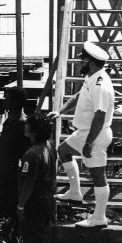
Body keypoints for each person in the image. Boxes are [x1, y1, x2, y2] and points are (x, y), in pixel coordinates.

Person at [49, 41, 114, 228]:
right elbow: (78, 96)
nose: (80, 63)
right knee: (63, 150)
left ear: (91, 63)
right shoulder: (92, 77)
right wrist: (60, 111)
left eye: (82, 61)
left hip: (95, 135)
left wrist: (89, 143)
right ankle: (75, 191)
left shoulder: (99, 85)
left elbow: (100, 116)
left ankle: (99, 217)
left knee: (98, 175)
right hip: (84, 132)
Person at [17, 114, 56, 243]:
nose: (25, 127)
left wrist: (21, 205)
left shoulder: (31, 154)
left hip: (35, 201)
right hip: (47, 197)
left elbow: (28, 182)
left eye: (28, 126)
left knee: (34, 238)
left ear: (34, 131)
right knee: (43, 237)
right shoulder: (49, 146)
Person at [0, 86, 31, 222]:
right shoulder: (10, 119)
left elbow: (25, 156)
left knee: (7, 212)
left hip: (13, 177)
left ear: (15, 103)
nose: (5, 102)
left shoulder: (22, 124)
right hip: (4, 172)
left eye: (7, 99)